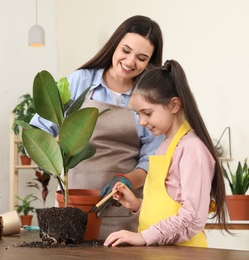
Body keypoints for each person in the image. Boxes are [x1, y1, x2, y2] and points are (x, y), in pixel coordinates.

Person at [30, 15, 165, 239]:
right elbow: (38, 132)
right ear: (114, 45)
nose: (130, 62)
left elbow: (151, 159)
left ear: (150, 62)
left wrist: (127, 180)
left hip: (122, 211)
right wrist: (54, 165)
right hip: (71, 207)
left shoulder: (148, 99)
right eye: (126, 50)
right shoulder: (81, 81)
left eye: (141, 58)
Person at [103, 60, 231, 248]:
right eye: (138, 114)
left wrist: (143, 237)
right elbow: (170, 206)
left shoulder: (192, 148)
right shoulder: (164, 145)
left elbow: (192, 218)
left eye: (147, 113)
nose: (142, 122)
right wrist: (138, 205)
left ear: (174, 105)